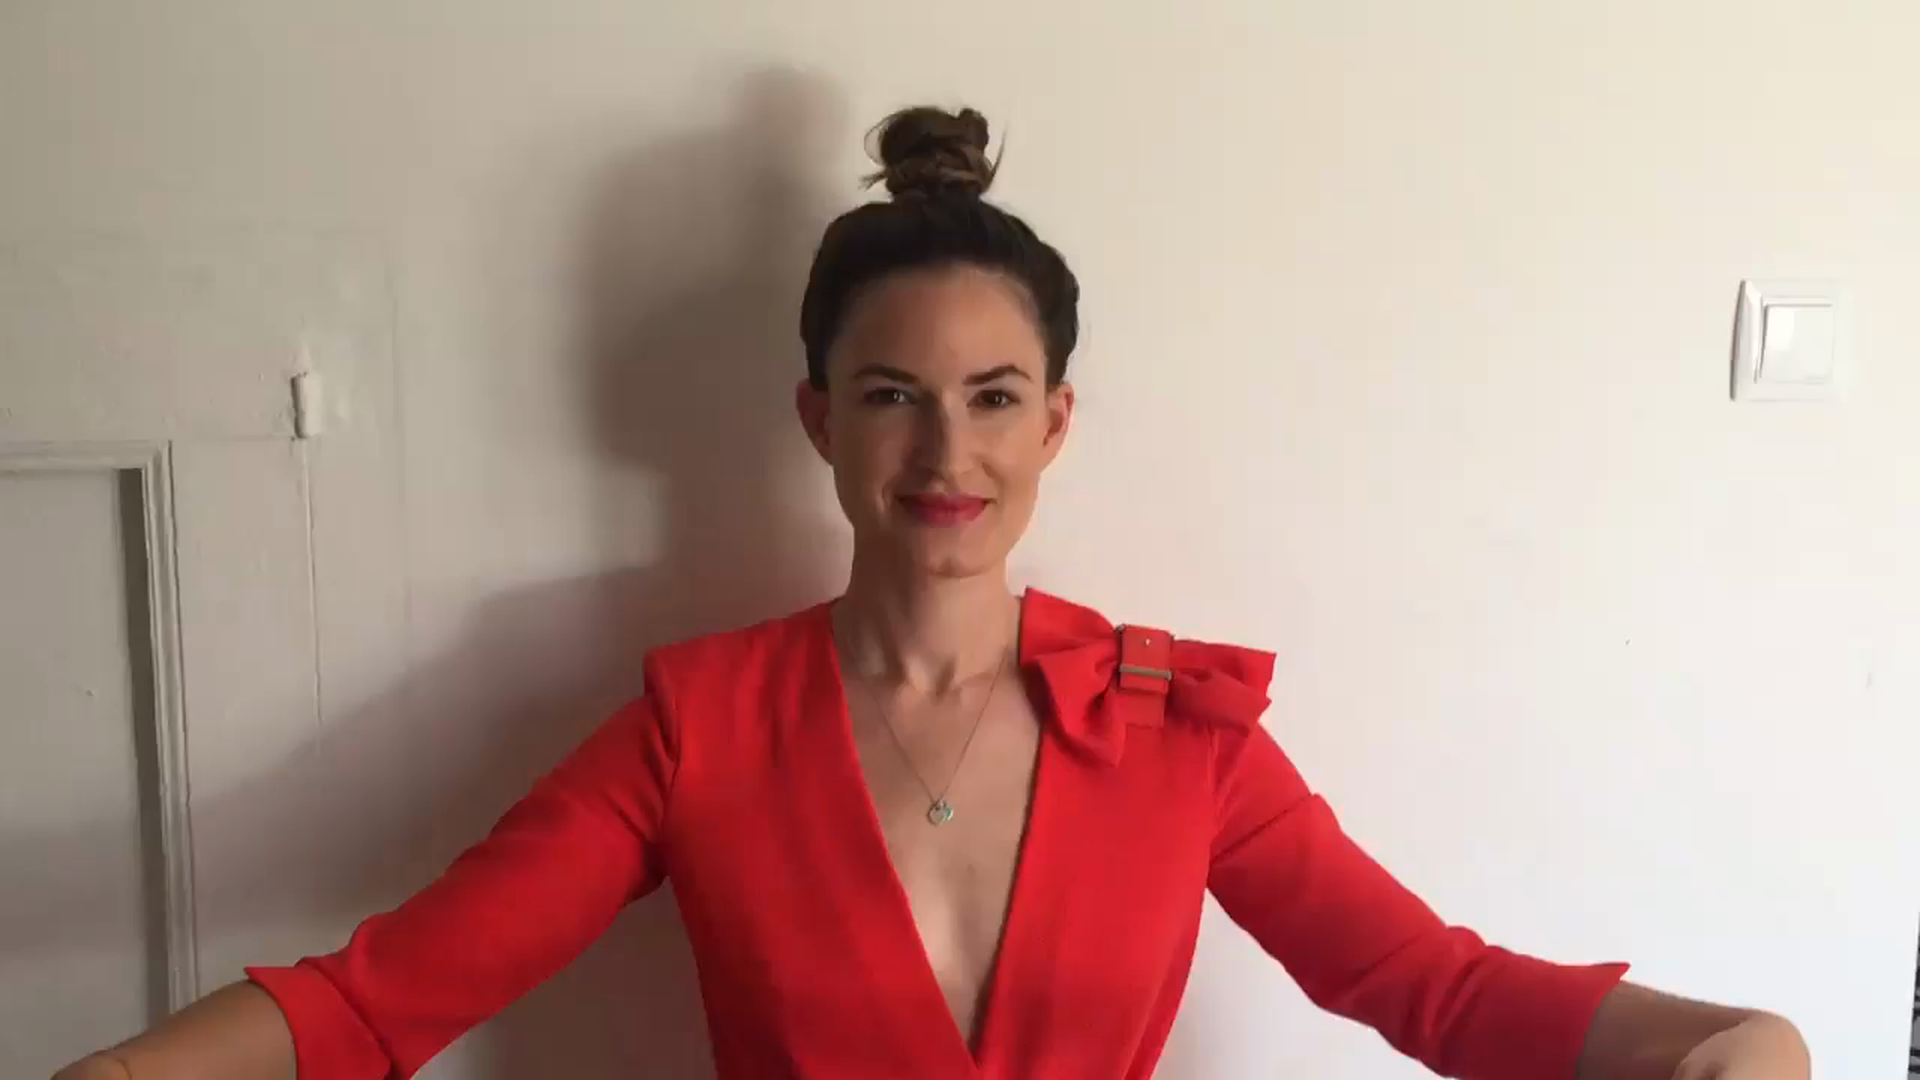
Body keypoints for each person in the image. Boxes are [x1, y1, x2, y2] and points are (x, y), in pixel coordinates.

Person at [56, 106, 1811, 1080]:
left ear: (1055, 424)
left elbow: (1435, 988)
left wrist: (1726, 1042)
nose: (945, 452)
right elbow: (384, 999)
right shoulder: (696, 729)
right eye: (891, 394)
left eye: (992, 397)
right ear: (818, 417)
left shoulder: (1175, 725)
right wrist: (123, 1078)